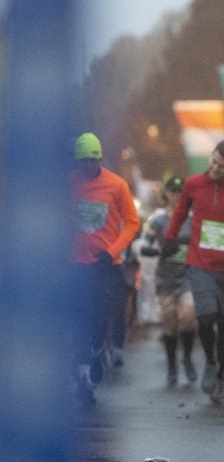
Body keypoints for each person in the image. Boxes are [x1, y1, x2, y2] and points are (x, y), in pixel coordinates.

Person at [164, 140, 224, 403]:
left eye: (222, 166)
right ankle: (209, 360)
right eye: (214, 161)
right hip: (201, 262)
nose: (215, 168)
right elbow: (180, 211)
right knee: (204, 315)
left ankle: (219, 374)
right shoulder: (194, 183)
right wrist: (169, 237)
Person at [70, 132, 140, 404]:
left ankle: (98, 351)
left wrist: (111, 251)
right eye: (82, 162)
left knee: (100, 320)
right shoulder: (69, 184)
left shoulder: (116, 185)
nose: (87, 166)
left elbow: (133, 223)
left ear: (98, 159)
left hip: (105, 266)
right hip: (74, 265)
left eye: (91, 160)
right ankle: (83, 380)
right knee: (77, 321)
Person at [141, 176, 198, 385]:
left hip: (188, 275)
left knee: (189, 315)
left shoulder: (193, 217)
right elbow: (146, 244)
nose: (177, 195)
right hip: (166, 277)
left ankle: (188, 358)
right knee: (170, 323)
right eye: (173, 191)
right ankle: (172, 364)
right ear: (166, 194)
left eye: (181, 191)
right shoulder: (158, 219)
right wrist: (159, 249)